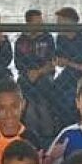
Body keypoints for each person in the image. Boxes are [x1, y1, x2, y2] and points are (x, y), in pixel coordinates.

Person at [14, 9, 57, 139]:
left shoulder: (47, 38)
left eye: (41, 21)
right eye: (36, 22)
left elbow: (52, 62)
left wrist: (39, 72)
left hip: (44, 75)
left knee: (42, 103)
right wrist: (29, 73)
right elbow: (18, 64)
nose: (40, 24)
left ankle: (48, 135)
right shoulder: (21, 40)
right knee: (29, 104)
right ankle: (32, 135)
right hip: (26, 76)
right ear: (28, 23)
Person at [53, 6, 82, 129]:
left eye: (60, 22)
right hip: (67, 74)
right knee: (53, 90)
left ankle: (73, 125)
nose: (57, 25)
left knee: (69, 97)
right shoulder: (61, 38)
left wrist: (69, 63)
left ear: (70, 22)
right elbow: (59, 59)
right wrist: (58, 62)